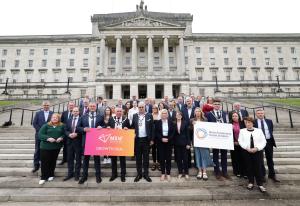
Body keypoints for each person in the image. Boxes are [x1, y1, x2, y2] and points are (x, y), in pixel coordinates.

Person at [239, 117, 267, 193]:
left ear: (253, 123)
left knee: (258, 167)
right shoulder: (242, 131)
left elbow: (263, 141)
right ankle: (251, 182)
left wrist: (257, 148)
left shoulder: (259, 131)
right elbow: (240, 141)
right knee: (249, 167)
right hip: (247, 151)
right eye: (246, 123)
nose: (248, 124)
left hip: (257, 151)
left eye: (249, 122)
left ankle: (260, 184)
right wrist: (247, 148)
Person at [79, 102, 104, 184]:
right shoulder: (83, 117)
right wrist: (83, 129)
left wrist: (102, 127)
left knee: (97, 160)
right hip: (86, 140)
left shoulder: (100, 117)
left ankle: (98, 176)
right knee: (85, 160)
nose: (92, 107)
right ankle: (84, 176)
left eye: (94, 106)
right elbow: (78, 127)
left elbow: (104, 126)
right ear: (88, 107)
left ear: (96, 107)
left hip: (96, 141)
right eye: (91, 106)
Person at [206, 99, 230, 180]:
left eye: (218, 104)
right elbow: (207, 125)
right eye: (215, 104)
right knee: (215, 155)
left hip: (223, 137)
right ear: (213, 105)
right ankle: (217, 172)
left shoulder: (224, 113)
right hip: (214, 138)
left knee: (224, 155)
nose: (217, 105)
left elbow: (227, 123)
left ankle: (225, 171)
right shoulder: (209, 114)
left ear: (220, 105)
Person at [38, 113, 65, 185]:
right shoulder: (46, 125)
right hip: (45, 147)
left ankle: (51, 174)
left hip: (56, 147)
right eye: (53, 117)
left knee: (53, 161)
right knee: (44, 162)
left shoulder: (62, 125)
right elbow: (40, 134)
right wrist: (48, 138)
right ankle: (43, 177)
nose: (54, 118)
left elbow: (64, 134)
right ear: (51, 118)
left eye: (56, 117)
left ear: (59, 119)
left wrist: (61, 137)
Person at [254, 108, 280, 183]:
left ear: (264, 114)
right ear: (256, 114)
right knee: (260, 159)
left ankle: (272, 175)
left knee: (270, 159)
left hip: (269, 142)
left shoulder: (269, 121)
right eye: (258, 113)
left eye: (262, 113)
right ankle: (262, 175)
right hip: (259, 142)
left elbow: (270, 130)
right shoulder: (254, 122)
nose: (260, 114)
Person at [131, 102, 153, 182]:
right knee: (138, 159)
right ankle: (139, 174)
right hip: (137, 140)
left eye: (142, 107)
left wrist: (152, 139)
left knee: (146, 158)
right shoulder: (135, 116)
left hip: (146, 140)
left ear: (145, 107)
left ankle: (146, 174)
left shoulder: (149, 115)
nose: (141, 108)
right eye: (139, 107)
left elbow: (152, 128)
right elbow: (132, 127)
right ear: (138, 108)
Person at [107, 107, 130, 182]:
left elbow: (130, 128)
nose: (119, 112)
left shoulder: (126, 119)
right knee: (113, 159)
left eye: (120, 111)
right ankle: (114, 174)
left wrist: (127, 129)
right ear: (115, 112)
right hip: (113, 142)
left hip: (122, 142)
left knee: (122, 160)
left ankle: (123, 175)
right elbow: (107, 127)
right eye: (118, 111)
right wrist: (108, 128)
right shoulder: (111, 119)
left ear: (122, 112)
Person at [191, 108, 214, 180]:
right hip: (196, 141)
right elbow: (189, 130)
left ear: (201, 112)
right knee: (197, 156)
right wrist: (192, 125)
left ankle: (204, 171)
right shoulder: (192, 120)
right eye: (196, 111)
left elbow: (208, 130)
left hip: (204, 141)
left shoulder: (205, 120)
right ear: (194, 113)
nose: (197, 113)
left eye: (199, 111)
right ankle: (199, 171)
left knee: (204, 155)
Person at [32, 100, 53, 173]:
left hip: (49, 136)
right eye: (45, 105)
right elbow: (34, 123)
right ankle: (36, 165)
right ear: (42, 106)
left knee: (47, 151)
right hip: (39, 135)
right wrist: (41, 131)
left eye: (47, 105)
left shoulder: (52, 113)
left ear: (49, 106)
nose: (46, 106)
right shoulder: (38, 113)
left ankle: (46, 165)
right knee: (37, 150)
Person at [63, 107, 83, 181]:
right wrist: (69, 134)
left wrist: (77, 134)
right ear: (72, 112)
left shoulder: (82, 119)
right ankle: (70, 174)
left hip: (78, 142)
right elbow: (65, 130)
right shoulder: (68, 120)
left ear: (79, 112)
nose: (75, 112)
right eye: (74, 111)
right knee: (70, 159)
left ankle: (77, 175)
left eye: (76, 111)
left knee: (78, 159)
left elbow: (83, 130)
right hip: (70, 142)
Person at [156, 109, 175, 181]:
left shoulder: (171, 122)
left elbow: (173, 132)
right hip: (161, 142)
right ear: (161, 115)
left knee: (168, 158)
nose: (164, 114)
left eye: (165, 113)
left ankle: (168, 173)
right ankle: (163, 173)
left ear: (167, 114)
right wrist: (161, 139)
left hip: (168, 142)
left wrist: (168, 139)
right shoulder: (158, 122)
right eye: (163, 113)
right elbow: (156, 132)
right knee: (162, 158)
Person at [174, 111, 190, 179]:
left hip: (184, 143)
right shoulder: (173, 123)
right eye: (177, 115)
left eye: (179, 115)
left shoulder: (185, 123)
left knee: (185, 159)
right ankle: (180, 172)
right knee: (179, 159)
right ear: (176, 116)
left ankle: (186, 173)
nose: (178, 116)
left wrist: (188, 143)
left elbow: (188, 134)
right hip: (177, 144)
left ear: (181, 116)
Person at [229, 111, 246, 178]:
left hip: (242, 144)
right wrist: (233, 141)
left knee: (243, 158)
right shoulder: (230, 124)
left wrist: (240, 142)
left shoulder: (243, 124)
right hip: (234, 143)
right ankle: (237, 171)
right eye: (233, 116)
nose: (234, 117)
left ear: (239, 116)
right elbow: (228, 135)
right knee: (235, 158)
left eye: (236, 116)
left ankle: (244, 172)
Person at [60, 101, 75, 165]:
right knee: (65, 147)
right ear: (68, 106)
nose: (71, 106)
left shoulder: (76, 113)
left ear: (74, 106)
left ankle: (71, 160)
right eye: (70, 105)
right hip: (66, 133)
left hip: (74, 133)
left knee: (73, 148)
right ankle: (64, 159)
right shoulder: (64, 113)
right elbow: (61, 122)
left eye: (72, 105)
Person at [151, 104, 161, 171]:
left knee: (159, 150)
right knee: (153, 150)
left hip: (159, 135)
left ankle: (159, 163)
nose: (154, 109)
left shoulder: (160, 115)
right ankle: (154, 163)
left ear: (157, 108)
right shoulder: (150, 115)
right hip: (152, 136)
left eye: (156, 108)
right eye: (153, 108)